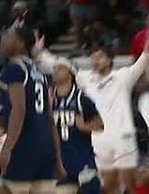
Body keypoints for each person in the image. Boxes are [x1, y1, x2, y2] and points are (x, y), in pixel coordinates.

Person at [35, 36, 148, 194]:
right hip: (98, 141)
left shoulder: (123, 77)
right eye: (93, 58)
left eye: (100, 57)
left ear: (109, 60)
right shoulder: (86, 79)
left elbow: (144, 59)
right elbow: (61, 66)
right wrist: (40, 53)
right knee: (107, 188)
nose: (96, 61)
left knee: (126, 186)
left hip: (122, 140)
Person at [0, 26, 64, 194]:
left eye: (8, 35)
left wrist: (7, 149)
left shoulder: (14, 69)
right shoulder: (40, 72)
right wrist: (58, 158)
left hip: (23, 146)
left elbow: (19, 110)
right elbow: (50, 119)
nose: (3, 38)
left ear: (20, 43)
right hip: (45, 148)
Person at [46, 57, 102, 194]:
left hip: (81, 156)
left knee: (92, 187)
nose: (56, 71)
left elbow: (100, 124)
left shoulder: (81, 98)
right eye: (54, 68)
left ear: (71, 72)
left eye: (60, 68)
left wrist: (85, 126)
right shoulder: (48, 99)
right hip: (58, 159)